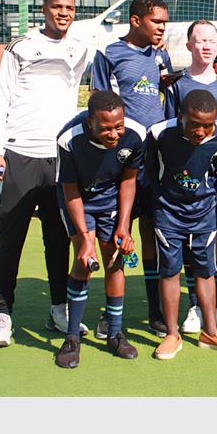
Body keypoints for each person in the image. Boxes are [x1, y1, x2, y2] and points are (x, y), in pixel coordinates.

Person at [0, 0, 91, 348]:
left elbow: (74, 96)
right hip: (19, 154)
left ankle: (59, 308)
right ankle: (2, 314)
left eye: (70, 8)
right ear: (43, 10)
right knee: (11, 238)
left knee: (58, 239)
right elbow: (2, 99)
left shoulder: (80, 49)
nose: (63, 13)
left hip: (59, 158)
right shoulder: (20, 47)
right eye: (57, 7)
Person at [90, 0, 173, 339]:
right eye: (157, 22)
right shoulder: (108, 54)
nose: (162, 29)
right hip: (120, 161)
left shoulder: (161, 54)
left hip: (154, 160)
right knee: (114, 238)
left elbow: (168, 95)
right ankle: (112, 317)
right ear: (136, 21)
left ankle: (156, 312)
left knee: (153, 233)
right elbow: (99, 105)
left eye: (165, 23)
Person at [146, 89, 217, 359]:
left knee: (205, 270)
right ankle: (171, 334)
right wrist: (160, 202)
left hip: (204, 213)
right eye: (194, 124)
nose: (200, 131)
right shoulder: (158, 134)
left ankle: (210, 332)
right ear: (180, 116)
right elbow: (149, 172)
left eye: (207, 125)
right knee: (170, 270)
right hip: (168, 213)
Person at [54, 91, 145, 368]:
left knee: (115, 263)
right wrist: (85, 239)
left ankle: (115, 333)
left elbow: (129, 181)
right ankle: (72, 338)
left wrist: (124, 226)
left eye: (119, 126)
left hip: (111, 201)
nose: (114, 134)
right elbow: (70, 191)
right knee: (84, 262)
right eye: (105, 128)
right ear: (90, 121)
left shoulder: (135, 134)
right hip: (78, 201)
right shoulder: (69, 139)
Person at [164, 19, 217, 334]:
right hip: (187, 182)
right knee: (188, 245)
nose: (207, 46)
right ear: (189, 45)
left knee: (216, 241)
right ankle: (194, 307)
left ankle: (215, 305)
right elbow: (168, 133)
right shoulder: (177, 85)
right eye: (200, 40)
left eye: (211, 40)